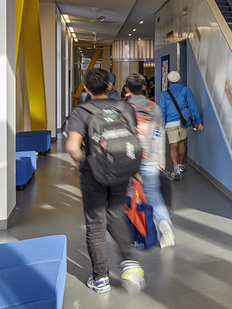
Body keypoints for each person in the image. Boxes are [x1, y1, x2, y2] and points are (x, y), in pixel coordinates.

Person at [66, 68, 145, 295]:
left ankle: (101, 278)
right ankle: (129, 263)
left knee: (96, 223)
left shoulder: (81, 112)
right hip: (121, 170)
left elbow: (72, 147)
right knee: (116, 214)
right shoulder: (125, 108)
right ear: (109, 86)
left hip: (93, 174)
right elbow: (133, 139)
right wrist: (133, 169)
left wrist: (83, 162)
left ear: (86, 88)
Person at [124, 73, 175, 248]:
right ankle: (165, 226)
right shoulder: (154, 107)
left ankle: (133, 231)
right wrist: (161, 158)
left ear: (127, 89)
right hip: (151, 158)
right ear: (144, 88)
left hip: (130, 158)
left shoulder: (125, 108)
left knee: (129, 193)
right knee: (153, 193)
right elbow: (160, 133)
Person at [158, 70, 203, 180]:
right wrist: (199, 121)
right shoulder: (185, 90)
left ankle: (175, 167)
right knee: (182, 142)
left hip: (170, 123)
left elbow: (162, 111)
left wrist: (161, 125)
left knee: (173, 145)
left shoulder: (164, 94)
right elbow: (193, 105)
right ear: (179, 79)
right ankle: (181, 164)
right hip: (183, 121)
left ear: (169, 80)